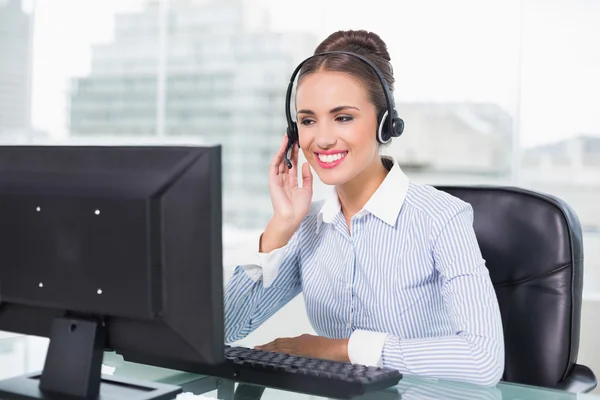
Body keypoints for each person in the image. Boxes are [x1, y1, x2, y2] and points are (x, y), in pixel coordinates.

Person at [224, 29, 505, 387]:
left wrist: (340, 349)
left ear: (385, 122)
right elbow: (224, 328)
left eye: (343, 117)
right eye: (308, 120)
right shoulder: (308, 227)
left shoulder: (441, 218)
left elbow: (483, 361)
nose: (322, 138)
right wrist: (280, 226)